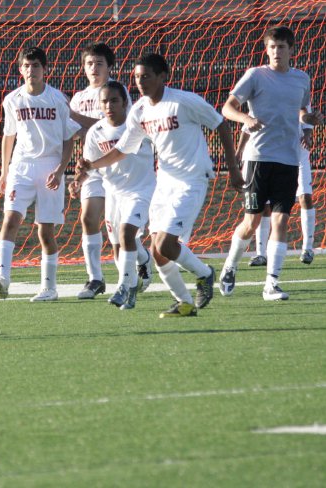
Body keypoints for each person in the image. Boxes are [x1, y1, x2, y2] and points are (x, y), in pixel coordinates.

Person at [76, 53, 243, 318]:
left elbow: (221, 125)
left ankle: (204, 273)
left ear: (163, 77)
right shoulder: (140, 110)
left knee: (165, 244)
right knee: (157, 251)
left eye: (146, 76)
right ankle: (184, 302)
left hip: (191, 180)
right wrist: (91, 165)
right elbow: (122, 150)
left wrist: (233, 168)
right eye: (137, 77)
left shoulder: (184, 102)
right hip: (164, 183)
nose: (141, 82)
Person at [218, 26, 321, 301]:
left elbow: (302, 110)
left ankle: (271, 284)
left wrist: (309, 123)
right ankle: (230, 265)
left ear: (291, 49)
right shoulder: (255, 75)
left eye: (282, 47)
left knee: (281, 221)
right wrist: (246, 119)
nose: (277, 51)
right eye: (272, 47)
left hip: (288, 158)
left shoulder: (301, 78)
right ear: (266, 49)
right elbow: (227, 107)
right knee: (251, 222)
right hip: (258, 158)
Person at [0, 46, 80, 302]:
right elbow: (9, 136)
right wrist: (4, 172)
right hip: (22, 166)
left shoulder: (57, 99)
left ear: (45, 69)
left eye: (36, 66)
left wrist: (61, 171)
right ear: (20, 70)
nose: (31, 71)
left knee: (45, 232)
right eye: (27, 66)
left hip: (50, 165)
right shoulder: (12, 100)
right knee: (10, 219)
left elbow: (68, 139)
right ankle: (2, 279)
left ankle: (49, 288)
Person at [68, 43, 149, 299]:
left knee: (126, 233)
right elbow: (79, 134)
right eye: (89, 63)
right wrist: (76, 174)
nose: (94, 68)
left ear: (109, 67)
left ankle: (140, 262)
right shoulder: (78, 98)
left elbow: (114, 123)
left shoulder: (118, 91)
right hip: (94, 167)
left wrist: (74, 117)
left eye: (99, 63)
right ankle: (95, 279)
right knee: (88, 219)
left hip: (124, 171)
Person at [240, 113, 317, 268]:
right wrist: (238, 152)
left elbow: (306, 120)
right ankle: (261, 254)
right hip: (272, 155)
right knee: (265, 207)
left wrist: (308, 133)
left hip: (298, 155)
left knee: (305, 198)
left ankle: (308, 249)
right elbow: (247, 126)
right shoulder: (264, 97)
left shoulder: (299, 93)